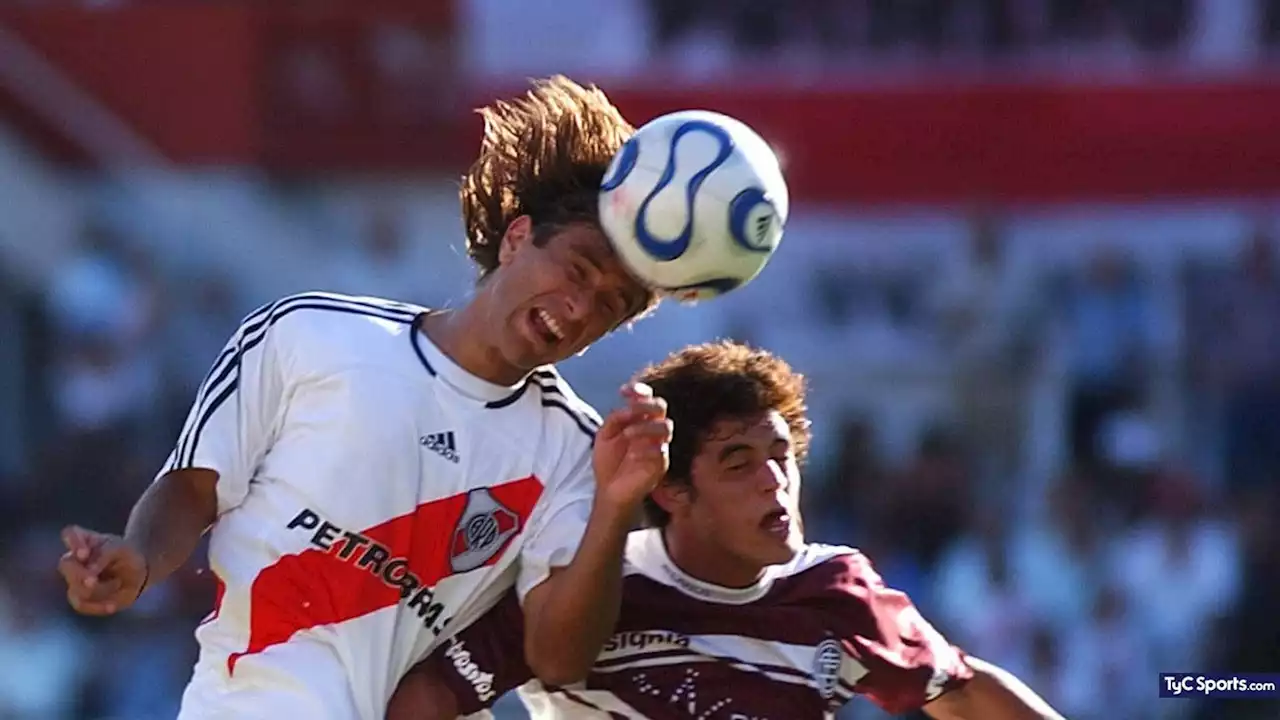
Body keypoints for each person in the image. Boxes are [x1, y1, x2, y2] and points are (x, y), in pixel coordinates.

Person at [56, 76, 674, 720]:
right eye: (577, 270)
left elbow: (557, 658)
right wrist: (138, 559)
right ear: (517, 238)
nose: (580, 308)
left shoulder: (574, 452)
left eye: (610, 305)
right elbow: (194, 487)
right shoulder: (308, 332)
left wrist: (616, 506)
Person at [391, 341, 1066, 720]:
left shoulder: (835, 591)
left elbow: (963, 689)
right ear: (672, 490)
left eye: (780, 455)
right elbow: (423, 700)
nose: (775, 479)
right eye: (738, 463)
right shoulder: (587, 588)